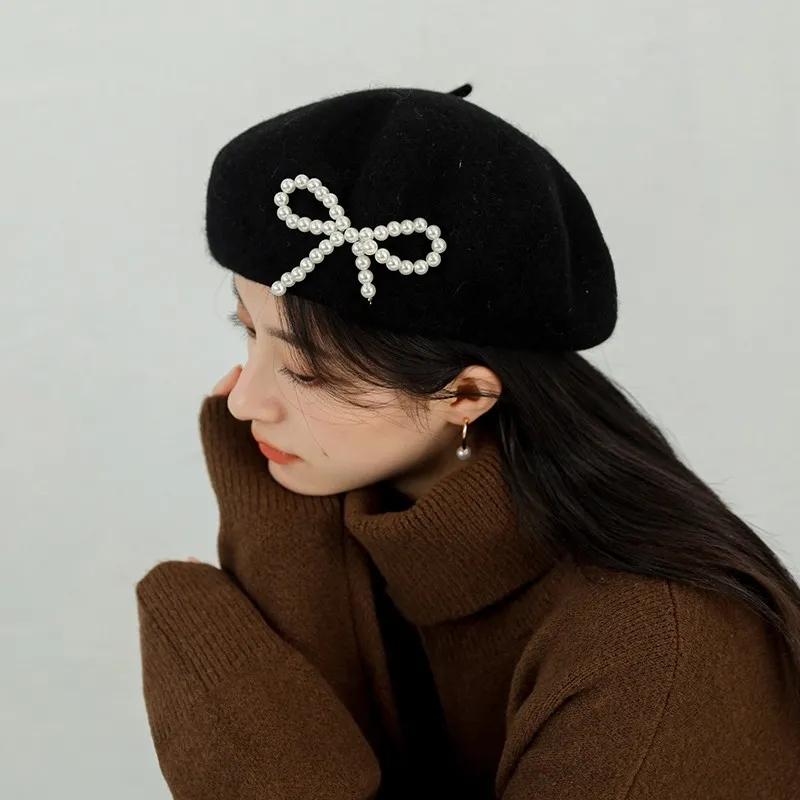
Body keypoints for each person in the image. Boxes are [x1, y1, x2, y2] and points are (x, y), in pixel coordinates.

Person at [135, 84, 800, 799]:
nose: (243, 400)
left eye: (306, 370)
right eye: (247, 331)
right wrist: (281, 544)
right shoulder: (350, 523)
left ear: (465, 396)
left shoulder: (653, 649)